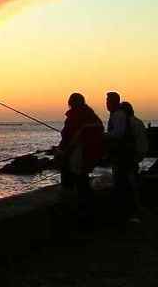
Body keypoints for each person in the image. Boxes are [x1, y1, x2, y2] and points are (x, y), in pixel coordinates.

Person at [56, 93, 105, 226]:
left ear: (72, 103)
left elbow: (67, 137)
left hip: (76, 156)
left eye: (70, 103)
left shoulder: (74, 116)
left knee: (70, 185)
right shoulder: (93, 117)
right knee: (83, 184)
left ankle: (72, 217)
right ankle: (88, 215)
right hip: (88, 157)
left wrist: (60, 152)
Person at [108, 96, 143, 222]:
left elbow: (118, 134)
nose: (107, 104)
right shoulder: (132, 120)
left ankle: (128, 213)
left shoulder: (118, 116)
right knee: (129, 183)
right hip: (128, 157)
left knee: (123, 184)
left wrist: (105, 136)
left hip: (123, 157)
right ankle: (132, 211)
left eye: (108, 101)